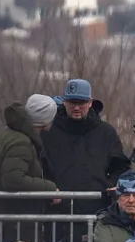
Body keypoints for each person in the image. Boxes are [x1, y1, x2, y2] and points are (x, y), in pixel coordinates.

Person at [0, 95, 59, 242]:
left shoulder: (7, 132)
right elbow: (13, 179)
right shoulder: (22, 143)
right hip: (10, 215)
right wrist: (49, 188)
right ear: (46, 120)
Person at [41, 79, 130, 214]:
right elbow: (39, 166)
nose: (76, 108)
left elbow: (120, 166)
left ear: (90, 102)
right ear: (64, 102)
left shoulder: (105, 132)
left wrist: (109, 186)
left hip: (97, 211)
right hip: (57, 212)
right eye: (72, 102)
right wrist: (48, 188)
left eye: (81, 103)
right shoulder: (49, 131)